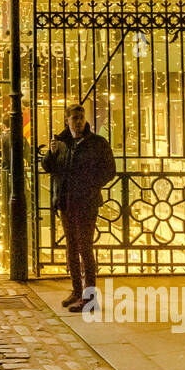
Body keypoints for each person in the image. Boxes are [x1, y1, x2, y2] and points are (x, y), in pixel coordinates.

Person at [42, 104, 116, 312]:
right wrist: (51, 152)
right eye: (74, 117)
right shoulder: (62, 142)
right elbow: (48, 167)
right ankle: (76, 290)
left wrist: (90, 185)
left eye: (81, 117)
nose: (78, 121)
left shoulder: (97, 143)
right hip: (66, 203)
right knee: (71, 249)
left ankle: (90, 297)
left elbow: (109, 171)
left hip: (86, 202)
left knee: (85, 248)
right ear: (67, 120)